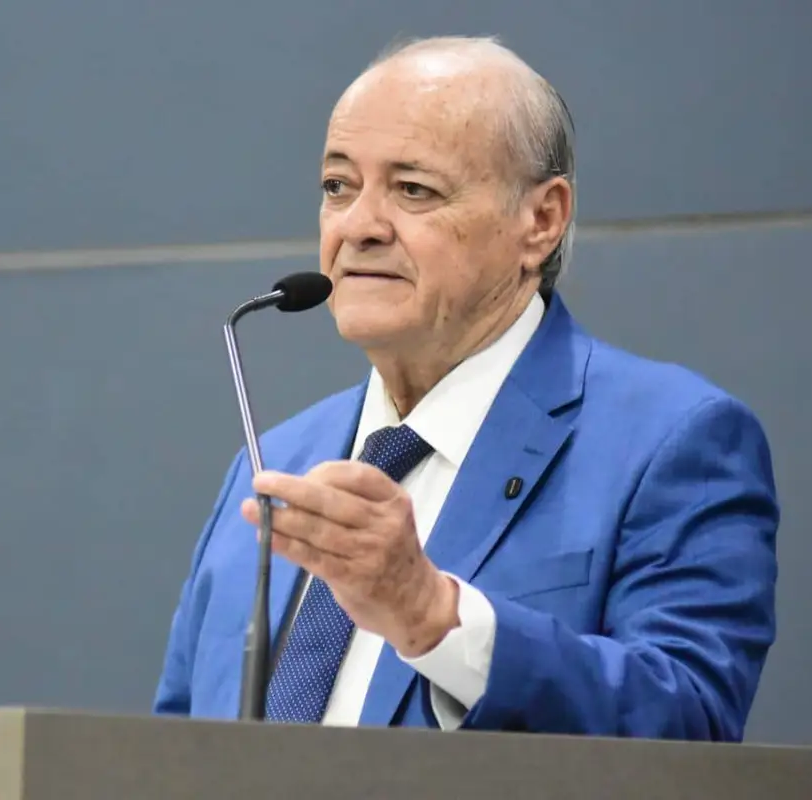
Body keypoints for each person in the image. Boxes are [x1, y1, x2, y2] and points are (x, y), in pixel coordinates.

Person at [152, 35, 778, 739]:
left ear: (540, 221)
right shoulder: (271, 462)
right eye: (338, 187)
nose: (358, 227)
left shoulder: (671, 442)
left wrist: (434, 616)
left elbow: (690, 722)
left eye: (413, 190)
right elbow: (175, 749)